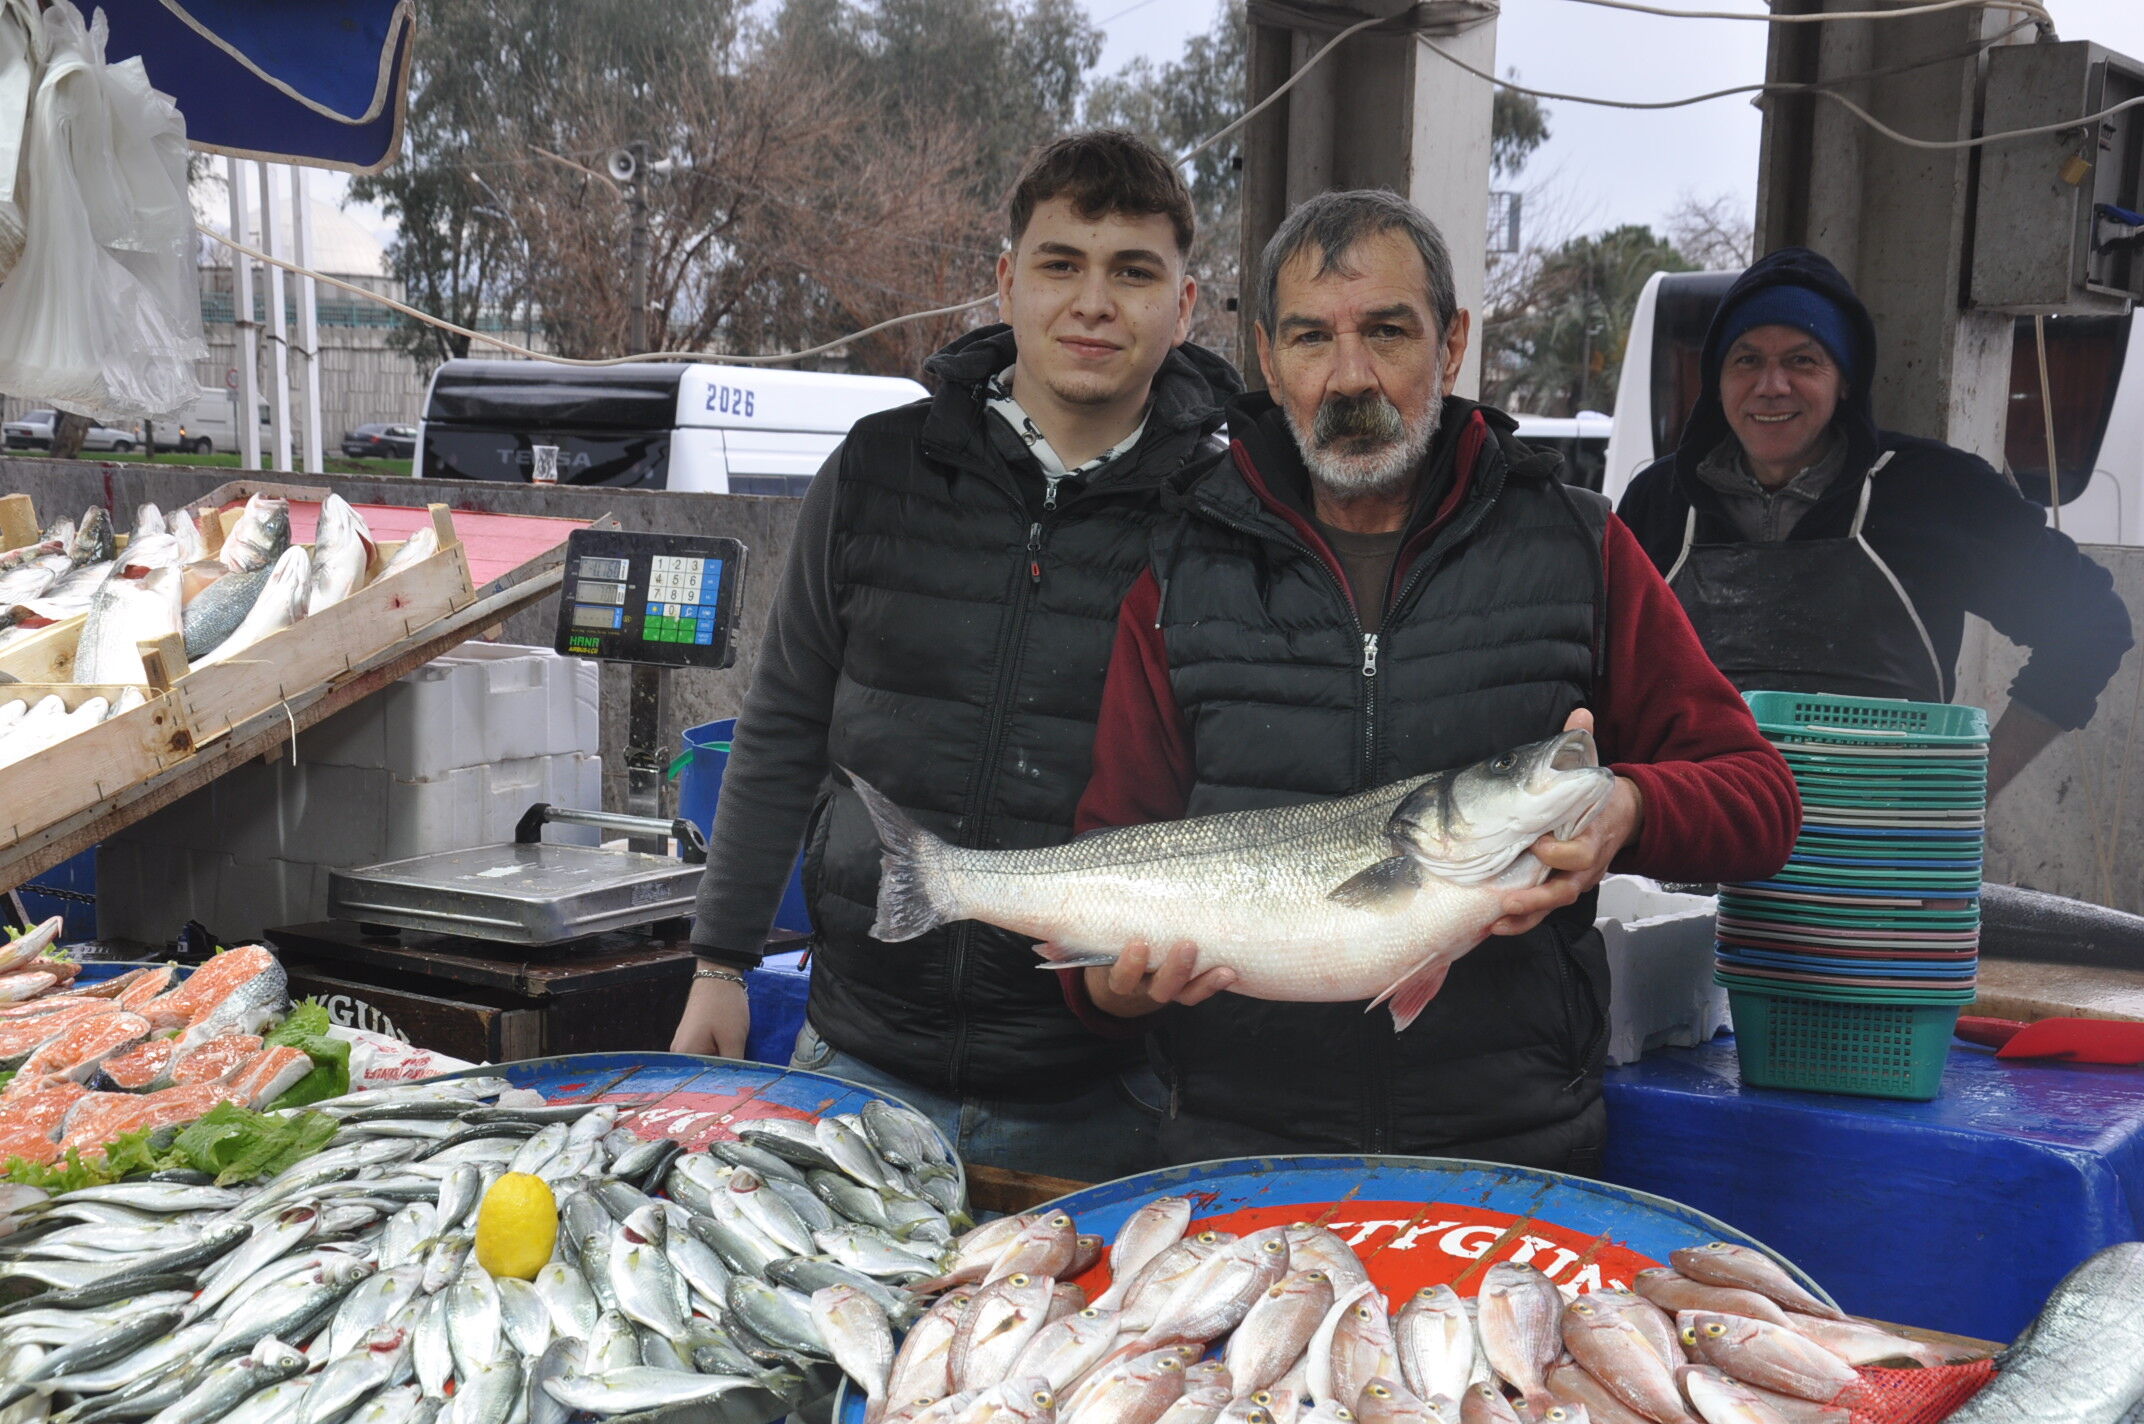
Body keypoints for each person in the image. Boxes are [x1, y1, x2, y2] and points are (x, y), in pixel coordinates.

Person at [1066, 189, 1801, 1171]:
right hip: (1235, 1150)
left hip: (1515, 1150)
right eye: (1309, 339)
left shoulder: (1574, 544)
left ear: (1451, 343)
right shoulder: (1181, 570)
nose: (1349, 376)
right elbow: (1106, 855)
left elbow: (1762, 801)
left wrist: (1627, 806)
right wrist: (1112, 987)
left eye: (1386, 331)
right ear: (1267, 360)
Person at [669, 130, 1240, 1182]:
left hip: (1110, 1096)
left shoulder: (1229, 518)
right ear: (1005, 281)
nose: (1092, 301)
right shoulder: (878, 470)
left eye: (1133, 271)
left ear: (1185, 303)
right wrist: (720, 960)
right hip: (852, 1065)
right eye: (1060, 262)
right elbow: (784, 722)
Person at [1617, 247, 2133, 797]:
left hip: (1883, 859)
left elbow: (2089, 624)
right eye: (1745, 360)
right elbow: (1598, 667)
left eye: (1802, 360)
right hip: (1690, 857)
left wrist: (1969, 794)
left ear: (1845, 380)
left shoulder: (1934, 492)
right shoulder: (1659, 501)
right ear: (1717, 382)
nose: (1771, 385)